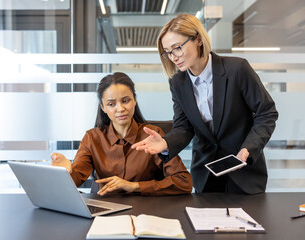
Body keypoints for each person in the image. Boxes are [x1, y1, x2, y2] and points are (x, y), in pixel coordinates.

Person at [132, 13, 278, 194]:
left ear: (198, 40)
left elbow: (267, 113)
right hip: (206, 173)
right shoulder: (178, 83)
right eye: (168, 52)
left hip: (243, 172)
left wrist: (248, 149)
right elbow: (184, 128)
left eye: (177, 48)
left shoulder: (237, 69)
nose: (173, 57)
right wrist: (165, 143)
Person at [51, 72, 192, 196]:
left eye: (125, 101)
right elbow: (76, 179)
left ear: (134, 100)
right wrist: (66, 173)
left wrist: (134, 186)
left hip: (146, 212)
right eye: (111, 104)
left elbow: (184, 182)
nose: (120, 109)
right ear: (103, 107)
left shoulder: (152, 135)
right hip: (106, 214)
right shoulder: (92, 138)